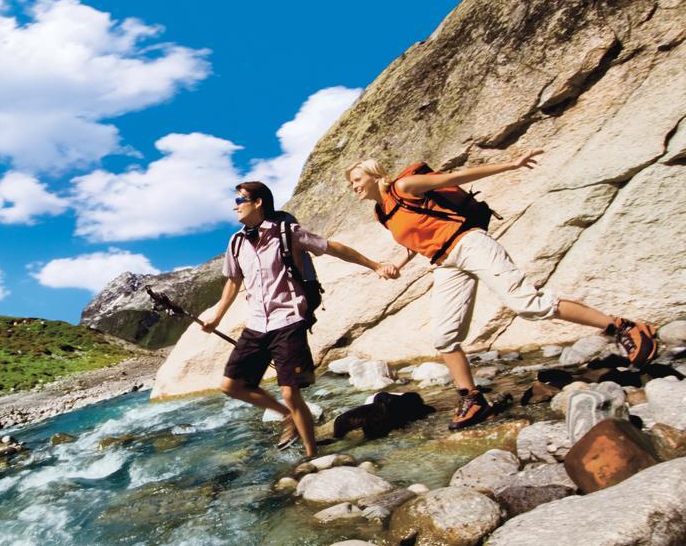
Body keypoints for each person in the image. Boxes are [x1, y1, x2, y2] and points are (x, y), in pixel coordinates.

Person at [347, 150, 659, 430]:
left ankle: (624, 327)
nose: (354, 186)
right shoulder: (381, 213)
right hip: (444, 262)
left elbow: (455, 177)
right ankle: (473, 398)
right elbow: (415, 236)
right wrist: (398, 263)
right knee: (444, 337)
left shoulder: (403, 187)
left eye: (357, 179)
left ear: (376, 175)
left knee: (528, 304)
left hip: (468, 243)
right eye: (351, 184)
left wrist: (511, 164)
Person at [202, 181, 398, 458]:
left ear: (258, 202)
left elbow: (333, 248)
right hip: (257, 323)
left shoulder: (287, 232)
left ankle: (311, 456)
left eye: (240, 199)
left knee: (291, 393)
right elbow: (233, 282)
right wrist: (218, 315)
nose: (234, 205)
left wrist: (375, 265)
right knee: (231, 386)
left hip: (289, 318)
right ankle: (288, 417)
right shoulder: (236, 242)